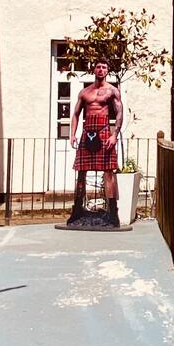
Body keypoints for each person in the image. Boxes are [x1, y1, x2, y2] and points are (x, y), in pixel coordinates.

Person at [68, 59, 125, 226]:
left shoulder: (112, 91)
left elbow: (119, 113)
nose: (101, 70)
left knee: (108, 172)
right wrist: (72, 134)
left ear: (107, 71)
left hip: (104, 132)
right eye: (98, 67)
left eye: (104, 67)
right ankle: (77, 210)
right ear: (94, 70)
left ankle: (113, 214)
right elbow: (76, 114)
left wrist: (114, 135)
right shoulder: (85, 92)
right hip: (87, 133)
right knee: (81, 171)